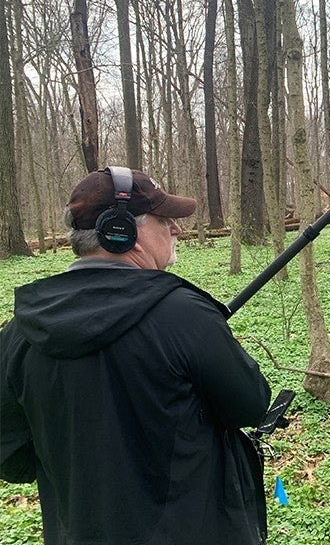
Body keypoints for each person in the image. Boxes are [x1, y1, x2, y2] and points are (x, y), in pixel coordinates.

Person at [0, 167, 272, 545]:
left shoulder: (17, 333)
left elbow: (11, 458)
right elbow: (252, 404)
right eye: (164, 220)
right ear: (121, 231)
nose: (175, 229)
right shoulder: (185, 315)